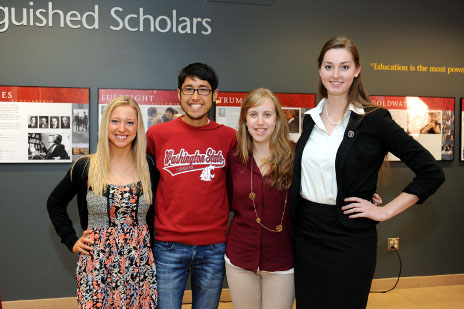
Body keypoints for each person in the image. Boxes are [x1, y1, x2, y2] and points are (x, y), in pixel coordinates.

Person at [290, 36, 445, 309]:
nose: (336, 75)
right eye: (329, 66)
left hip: (349, 238)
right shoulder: (310, 119)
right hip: (307, 233)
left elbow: (431, 172)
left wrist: (384, 212)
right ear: (319, 70)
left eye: (344, 67)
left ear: (357, 70)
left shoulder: (374, 119)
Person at [47, 97, 159, 308]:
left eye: (130, 122)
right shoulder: (85, 166)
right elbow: (54, 203)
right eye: (115, 121)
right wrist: (71, 240)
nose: (122, 129)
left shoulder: (149, 166)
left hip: (139, 264)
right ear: (106, 124)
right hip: (97, 264)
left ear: (138, 127)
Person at [146, 63, 236, 309]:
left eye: (203, 90)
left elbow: (233, 186)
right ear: (178, 94)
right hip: (168, 246)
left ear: (215, 95)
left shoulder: (230, 137)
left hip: (214, 247)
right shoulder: (157, 134)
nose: (195, 97)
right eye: (189, 89)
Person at [225, 88, 295, 308]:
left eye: (267, 114)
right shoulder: (235, 158)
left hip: (282, 260)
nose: (260, 122)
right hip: (240, 259)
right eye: (253, 114)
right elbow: (223, 199)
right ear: (245, 120)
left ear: (277, 119)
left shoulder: (296, 155)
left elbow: (321, 185)